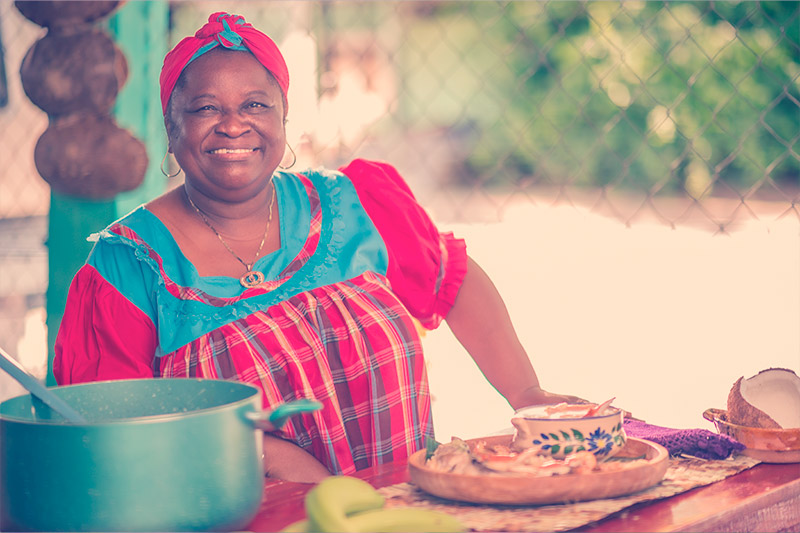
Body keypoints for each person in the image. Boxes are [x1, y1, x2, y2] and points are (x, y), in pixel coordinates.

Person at [53, 12, 583, 483]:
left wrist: (526, 393)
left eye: (256, 104)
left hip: (401, 513)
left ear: (283, 118)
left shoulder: (355, 205)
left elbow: (455, 282)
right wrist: (266, 456)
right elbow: (116, 438)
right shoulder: (126, 268)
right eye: (205, 108)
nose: (234, 123)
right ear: (171, 127)